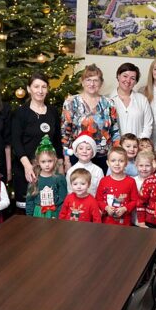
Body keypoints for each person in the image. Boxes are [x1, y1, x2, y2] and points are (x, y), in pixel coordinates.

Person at [11, 72, 62, 215]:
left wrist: (60, 166)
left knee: (48, 208)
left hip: (49, 170)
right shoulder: (21, 113)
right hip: (26, 170)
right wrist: (28, 166)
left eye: (44, 87)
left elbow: (57, 140)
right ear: (29, 89)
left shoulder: (52, 112)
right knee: (27, 210)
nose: (40, 91)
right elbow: (16, 142)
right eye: (36, 86)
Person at [61, 64, 119, 174]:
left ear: (101, 83)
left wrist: (115, 158)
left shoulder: (109, 103)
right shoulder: (71, 102)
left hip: (103, 157)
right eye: (88, 80)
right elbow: (65, 134)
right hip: (77, 158)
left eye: (96, 80)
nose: (92, 84)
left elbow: (115, 132)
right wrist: (66, 160)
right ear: (82, 82)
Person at [95, 146, 139, 226]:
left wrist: (125, 208)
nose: (117, 164)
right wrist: (106, 208)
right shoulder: (103, 181)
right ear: (108, 163)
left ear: (126, 163)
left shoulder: (131, 181)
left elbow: (135, 200)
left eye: (121, 161)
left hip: (125, 223)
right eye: (113, 160)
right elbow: (98, 200)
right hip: (106, 223)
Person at [26, 136, 67, 219]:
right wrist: (29, 217)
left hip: (54, 213)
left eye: (50, 161)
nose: (47, 164)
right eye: (43, 162)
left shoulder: (59, 178)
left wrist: (60, 215)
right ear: (38, 162)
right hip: (38, 213)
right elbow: (30, 200)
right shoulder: (35, 178)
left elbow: (63, 199)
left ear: (55, 160)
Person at [109, 62, 153, 139]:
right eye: (125, 76)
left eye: (132, 78)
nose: (128, 80)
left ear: (136, 82)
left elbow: (148, 126)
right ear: (118, 76)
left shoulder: (142, 100)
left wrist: (139, 143)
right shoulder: (107, 100)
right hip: (115, 148)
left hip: (137, 147)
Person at [65, 131, 104, 196]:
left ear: (93, 152)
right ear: (76, 151)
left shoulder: (98, 171)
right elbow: (69, 191)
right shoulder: (71, 171)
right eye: (81, 148)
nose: (84, 151)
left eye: (88, 149)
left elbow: (100, 192)